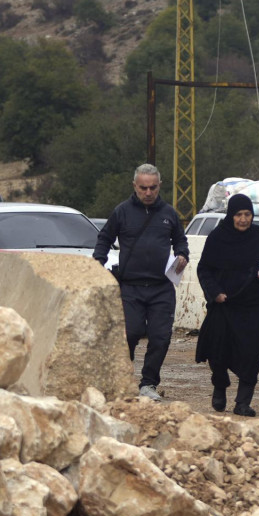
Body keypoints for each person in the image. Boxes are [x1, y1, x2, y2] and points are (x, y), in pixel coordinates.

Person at [94, 163, 189, 402]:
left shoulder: (169, 213)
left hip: (161, 288)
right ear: (135, 186)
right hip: (130, 287)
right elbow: (104, 238)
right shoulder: (122, 212)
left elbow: (181, 241)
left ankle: (149, 383)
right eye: (143, 188)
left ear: (160, 186)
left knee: (161, 337)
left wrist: (182, 255)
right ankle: (123, 378)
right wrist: (98, 263)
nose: (148, 193)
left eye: (153, 188)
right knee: (131, 333)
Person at [195, 194, 259, 417]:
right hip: (224, 305)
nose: (243, 219)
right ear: (231, 215)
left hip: (252, 305)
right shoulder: (218, 237)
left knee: (253, 353)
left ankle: (243, 402)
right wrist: (215, 292)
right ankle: (220, 385)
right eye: (239, 214)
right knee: (218, 351)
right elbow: (204, 269)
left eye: (247, 214)